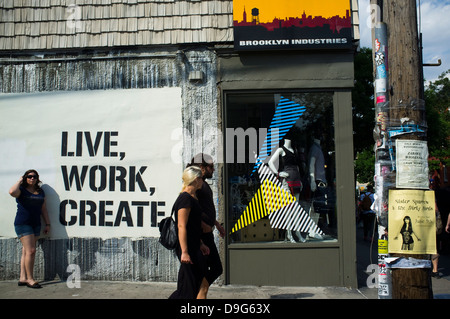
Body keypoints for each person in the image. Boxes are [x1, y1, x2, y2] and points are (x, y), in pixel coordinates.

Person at [187, 153, 225, 299]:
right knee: (216, 268)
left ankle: (201, 292)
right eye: (211, 166)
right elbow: (190, 208)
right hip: (201, 235)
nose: (213, 169)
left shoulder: (202, 183)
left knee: (204, 270)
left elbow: (204, 208)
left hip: (207, 233)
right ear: (202, 168)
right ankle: (202, 291)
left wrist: (216, 224)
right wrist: (203, 225)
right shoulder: (195, 184)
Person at [169, 166, 210, 299]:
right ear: (197, 180)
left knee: (191, 285)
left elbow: (193, 227)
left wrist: (200, 243)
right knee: (188, 288)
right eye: (201, 179)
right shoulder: (185, 199)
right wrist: (185, 252)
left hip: (194, 246)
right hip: (188, 249)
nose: (203, 182)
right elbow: (181, 226)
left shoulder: (192, 198)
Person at [9, 169, 50, 289]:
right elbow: (12, 192)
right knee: (31, 251)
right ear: (25, 178)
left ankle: (22, 278)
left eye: (34, 177)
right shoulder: (21, 190)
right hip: (23, 223)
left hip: (35, 223)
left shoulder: (40, 191)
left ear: (37, 179)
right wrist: (20, 180)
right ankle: (30, 279)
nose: (32, 178)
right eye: (29, 176)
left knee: (26, 251)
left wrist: (48, 224)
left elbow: (43, 209)